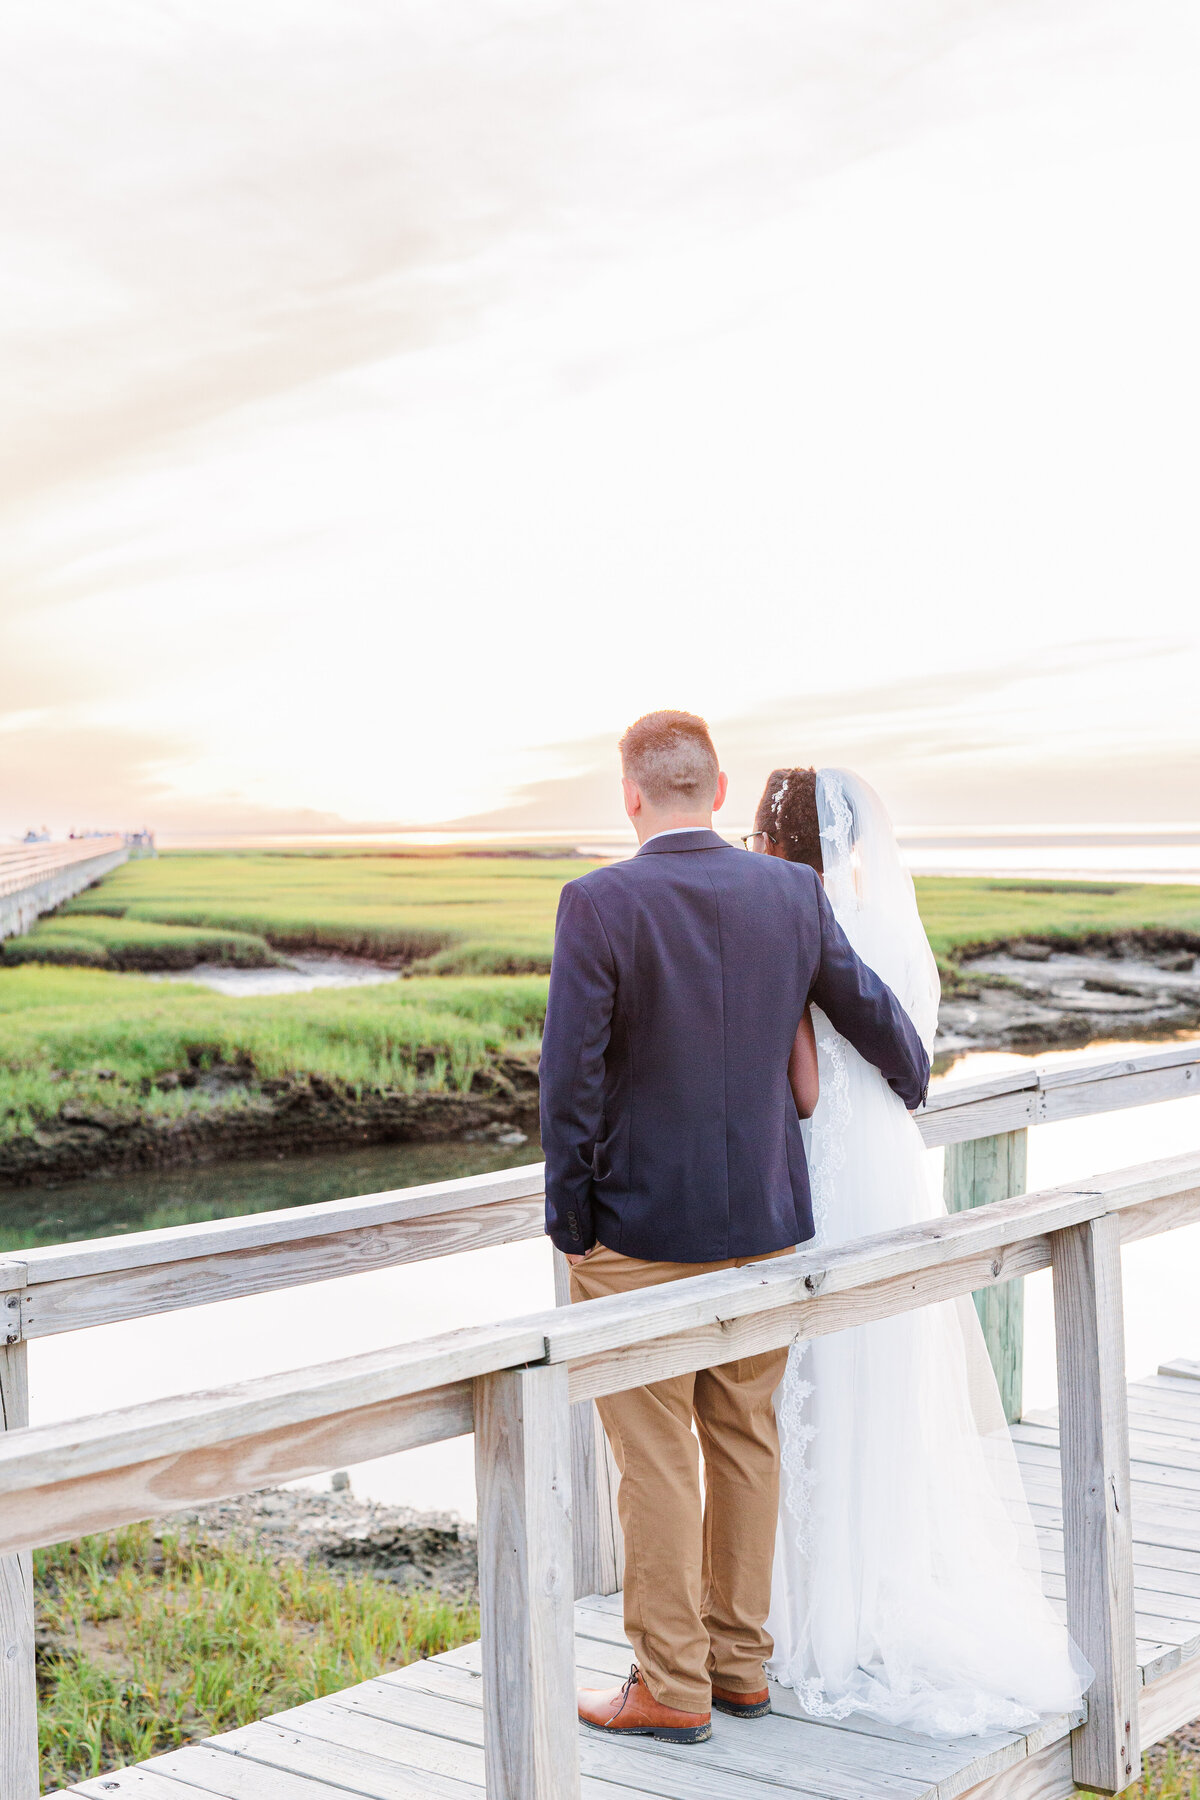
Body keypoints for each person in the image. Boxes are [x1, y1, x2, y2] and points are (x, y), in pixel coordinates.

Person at [539, 712, 930, 1744]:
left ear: (631, 796)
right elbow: (867, 1009)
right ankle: (741, 1666)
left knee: (656, 1458)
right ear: (715, 791)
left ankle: (671, 1686)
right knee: (747, 1439)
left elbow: (568, 1082)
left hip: (636, 1233)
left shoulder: (597, 903)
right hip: (763, 1224)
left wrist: (569, 1222)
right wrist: (912, 1076)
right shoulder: (790, 892)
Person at [753, 766, 1091, 1734]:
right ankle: (876, 1585)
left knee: (811, 1384)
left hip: (823, 1176)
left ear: (780, 841)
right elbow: (909, 1066)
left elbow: (807, 1088)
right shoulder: (890, 924)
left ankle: (815, 1618)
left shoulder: (795, 920)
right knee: (883, 1382)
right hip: (891, 1176)